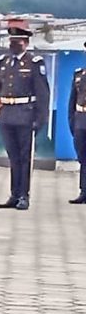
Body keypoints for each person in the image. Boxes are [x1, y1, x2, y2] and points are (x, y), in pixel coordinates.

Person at [0, 26, 50, 211]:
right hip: (7, 114)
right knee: (13, 158)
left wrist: (40, 119)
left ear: (25, 43)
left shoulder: (34, 63)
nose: (12, 45)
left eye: (16, 42)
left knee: (25, 158)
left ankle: (24, 196)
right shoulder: (4, 61)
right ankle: (14, 194)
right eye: (11, 42)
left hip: (25, 114)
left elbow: (43, 93)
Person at [69, 42, 86, 205]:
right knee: (83, 158)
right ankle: (84, 191)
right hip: (81, 120)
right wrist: (72, 123)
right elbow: (72, 101)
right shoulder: (79, 74)